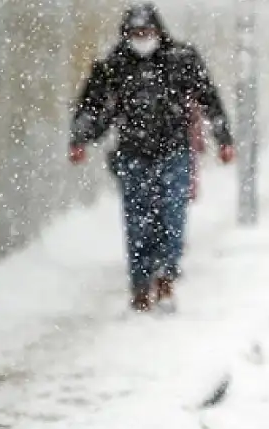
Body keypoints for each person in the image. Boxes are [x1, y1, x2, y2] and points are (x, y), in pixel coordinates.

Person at [69, 3, 234, 312]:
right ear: (126, 35)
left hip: (174, 151)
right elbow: (91, 105)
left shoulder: (181, 59)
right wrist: (80, 138)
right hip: (132, 155)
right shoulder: (114, 65)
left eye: (146, 32)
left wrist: (224, 138)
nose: (142, 38)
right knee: (138, 221)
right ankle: (141, 283)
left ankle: (166, 275)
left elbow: (208, 97)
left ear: (159, 32)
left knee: (172, 216)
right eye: (136, 33)